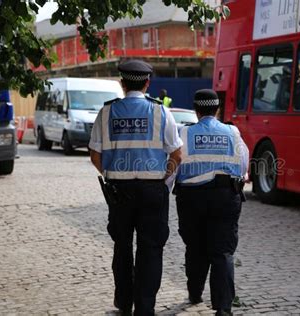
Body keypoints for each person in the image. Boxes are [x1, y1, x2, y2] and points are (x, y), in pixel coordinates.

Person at [88, 59, 183, 315]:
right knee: (150, 249)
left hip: (119, 191)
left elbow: (94, 155)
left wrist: (111, 175)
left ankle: (124, 302)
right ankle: (145, 307)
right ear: (147, 82)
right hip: (153, 190)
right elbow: (177, 153)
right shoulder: (160, 111)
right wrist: (164, 180)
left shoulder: (106, 112)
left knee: (122, 247)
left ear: (122, 83)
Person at [173, 89, 249, 316]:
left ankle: (195, 293)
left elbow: (174, 165)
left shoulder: (184, 133)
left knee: (195, 247)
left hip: (192, 198)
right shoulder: (232, 132)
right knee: (223, 251)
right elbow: (243, 164)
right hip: (226, 196)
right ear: (217, 109)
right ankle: (224, 308)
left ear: (196, 111)